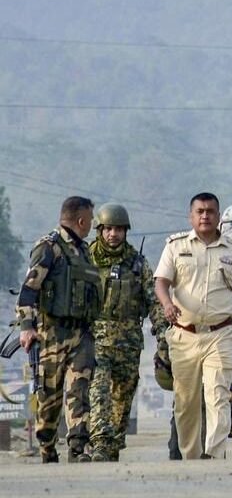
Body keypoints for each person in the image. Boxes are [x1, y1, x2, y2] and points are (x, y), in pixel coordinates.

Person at [155, 193, 232, 459]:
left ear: (218, 217)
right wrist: (167, 304)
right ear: (191, 216)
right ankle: (191, 457)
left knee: (217, 395)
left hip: (221, 334)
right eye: (200, 211)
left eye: (210, 212)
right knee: (186, 403)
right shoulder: (175, 246)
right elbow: (161, 282)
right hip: (185, 335)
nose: (205, 216)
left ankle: (213, 454)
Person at [16, 196, 100, 463]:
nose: (92, 225)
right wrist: (27, 327)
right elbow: (28, 292)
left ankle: (78, 447)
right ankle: (47, 447)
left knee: (80, 389)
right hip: (51, 334)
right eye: (91, 219)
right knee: (49, 399)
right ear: (81, 220)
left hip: (80, 334)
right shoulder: (48, 248)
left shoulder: (84, 251)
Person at [86, 203, 169, 462]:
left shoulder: (137, 264)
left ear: (125, 231)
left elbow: (154, 301)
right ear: (99, 230)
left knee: (122, 397)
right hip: (95, 339)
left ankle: (112, 445)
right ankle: (99, 442)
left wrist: (162, 333)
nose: (113, 234)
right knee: (98, 391)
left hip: (128, 342)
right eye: (108, 229)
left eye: (118, 229)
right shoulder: (85, 260)